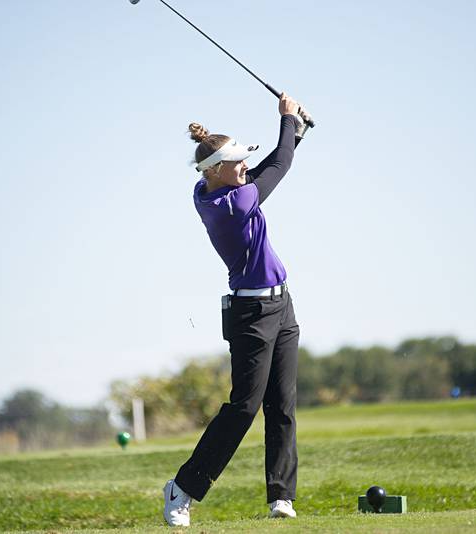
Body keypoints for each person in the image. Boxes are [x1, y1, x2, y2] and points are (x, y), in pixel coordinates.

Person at [163, 93, 309, 527]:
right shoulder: (230, 206)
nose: (245, 167)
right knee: (244, 408)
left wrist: (295, 133)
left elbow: (265, 169)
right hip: (251, 317)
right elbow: (277, 168)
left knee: (282, 405)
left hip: (283, 307)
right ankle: (183, 488)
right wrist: (287, 122)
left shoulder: (212, 190)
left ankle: (281, 497)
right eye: (238, 163)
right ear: (215, 171)